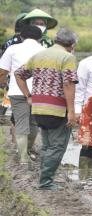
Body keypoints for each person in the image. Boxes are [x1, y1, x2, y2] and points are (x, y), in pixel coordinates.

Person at [15, 27, 78, 190]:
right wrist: (71, 111)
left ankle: (45, 177)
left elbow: (18, 74)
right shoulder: (67, 57)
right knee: (57, 146)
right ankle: (46, 181)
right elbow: (68, 84)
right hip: (57, 109)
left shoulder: (39, 55)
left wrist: (28, 96)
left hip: (38, 108)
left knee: (47, 145)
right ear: (72, 44)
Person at [0, 25, 44, 164]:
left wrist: (3, 84)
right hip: (39, 93)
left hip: (17, 91)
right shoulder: (44, 50)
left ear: (21, 37)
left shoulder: (12, 49)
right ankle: (29, 150)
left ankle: (23, 157)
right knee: (34, 124)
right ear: (40, 38)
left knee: (21, 124)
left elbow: (2, 72)